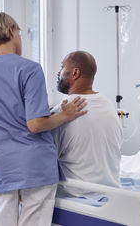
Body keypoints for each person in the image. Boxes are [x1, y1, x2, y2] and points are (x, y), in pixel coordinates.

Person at [0, 12, 87, 226]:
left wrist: (37, 110)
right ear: (12, 31)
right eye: (20, 34)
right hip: (34, 167)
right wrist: (64, 115)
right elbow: (36, 124)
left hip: (1, 166)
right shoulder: (29, 69)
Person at [51, 51, 123, 195]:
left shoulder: (63, 110)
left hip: (76, 195)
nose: (58, 72)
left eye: (62, 67)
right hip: (112, 194)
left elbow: (45, 160)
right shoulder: (108, 106)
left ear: (75, 73)